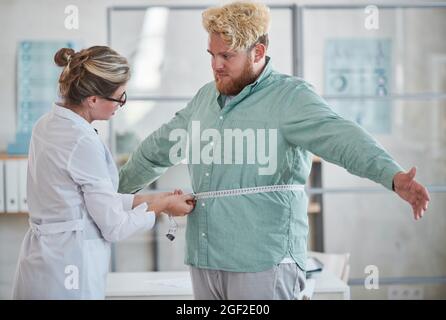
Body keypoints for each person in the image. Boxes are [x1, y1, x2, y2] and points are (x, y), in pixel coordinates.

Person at [118, 1, 430, 300]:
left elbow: (342, 138)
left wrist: (391, 175)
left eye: (226, 56)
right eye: (211, 54)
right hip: (205, 258)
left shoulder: (290, 97)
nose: (215, 65)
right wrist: (106, 193)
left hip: (264, 260)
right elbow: (157, 150)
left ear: (258, 52)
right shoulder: (204, 99)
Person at [11, 46, 195, 300]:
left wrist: (158, 200)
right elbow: (114, 227)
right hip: (69, 269)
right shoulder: (81, 141)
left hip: (41, 262)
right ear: (93, 99)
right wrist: (161, 206)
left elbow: (90, 200)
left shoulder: (46, 125)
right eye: (120, 98)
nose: (120, 105)